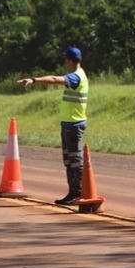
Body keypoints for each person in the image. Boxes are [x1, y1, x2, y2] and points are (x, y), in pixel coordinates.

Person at [17, 46, 89, 205]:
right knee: (69, 161)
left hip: (74, 124)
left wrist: (34, 80)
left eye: (65, 59)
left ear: (70, 60)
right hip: (68, 123)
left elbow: (55, 80)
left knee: (75, 160)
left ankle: (80, 193)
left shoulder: (76, 77)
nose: (64, 62)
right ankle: (73, 192)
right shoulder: (77, 75)